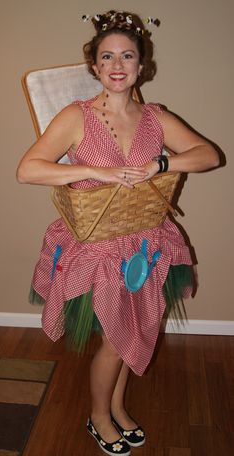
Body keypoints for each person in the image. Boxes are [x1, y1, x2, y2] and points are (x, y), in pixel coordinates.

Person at [16, 10, 219, 456]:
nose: (117, 65)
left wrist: (160, 163)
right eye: (107, 56)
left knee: (135, 329)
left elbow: (208, 155)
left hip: (145, 244)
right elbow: (28, 170)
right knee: (113, 340)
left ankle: (119, 405)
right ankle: (98, 415)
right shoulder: (77, 116)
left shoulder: (155, 117)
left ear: (142, 65)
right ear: (94, 66)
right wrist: (95, 170)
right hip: (98, 249)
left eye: (128, 56)